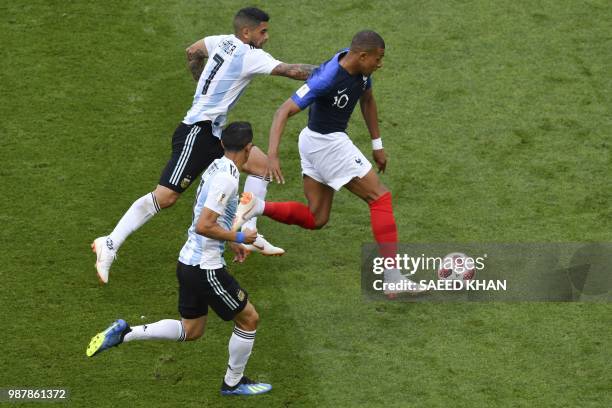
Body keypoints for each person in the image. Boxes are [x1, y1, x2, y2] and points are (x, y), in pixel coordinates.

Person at [92, 7, 316, 283]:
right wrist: (335, 71)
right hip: (196, 135)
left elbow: (192, 52)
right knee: (166, 197)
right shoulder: (250, 55)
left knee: (261, 167)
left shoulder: (219, 40)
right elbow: (292, 70)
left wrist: (201, 83)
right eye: (263, 31)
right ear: (247, 32)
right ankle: (110, 243)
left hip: (213, 133)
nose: (266, 37)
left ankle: (246, 231)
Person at [233, 30, 425, 295]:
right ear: (362, 55)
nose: (380, 64)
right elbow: (283, 111)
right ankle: (393, 276)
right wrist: (273, 155)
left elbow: (367, 100)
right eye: (378, 59)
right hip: (326, 142)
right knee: (380, 198)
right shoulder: (327, 78)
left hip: (316, 142)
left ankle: (256, 206)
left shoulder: (361, 70)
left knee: (317, 217)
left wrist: (377, 144)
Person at [87, 122, 273, 396]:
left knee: (192, 329)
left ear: (221, 144)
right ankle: (233, 383)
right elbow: (205, 225)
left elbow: (210, 218)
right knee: (249, 319)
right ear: (248, 149)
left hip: (188, 262)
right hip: (205, 267)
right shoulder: (228, 178)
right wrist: (241, 239)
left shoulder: (216, 167)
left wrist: (231, 240)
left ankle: (126, 333)